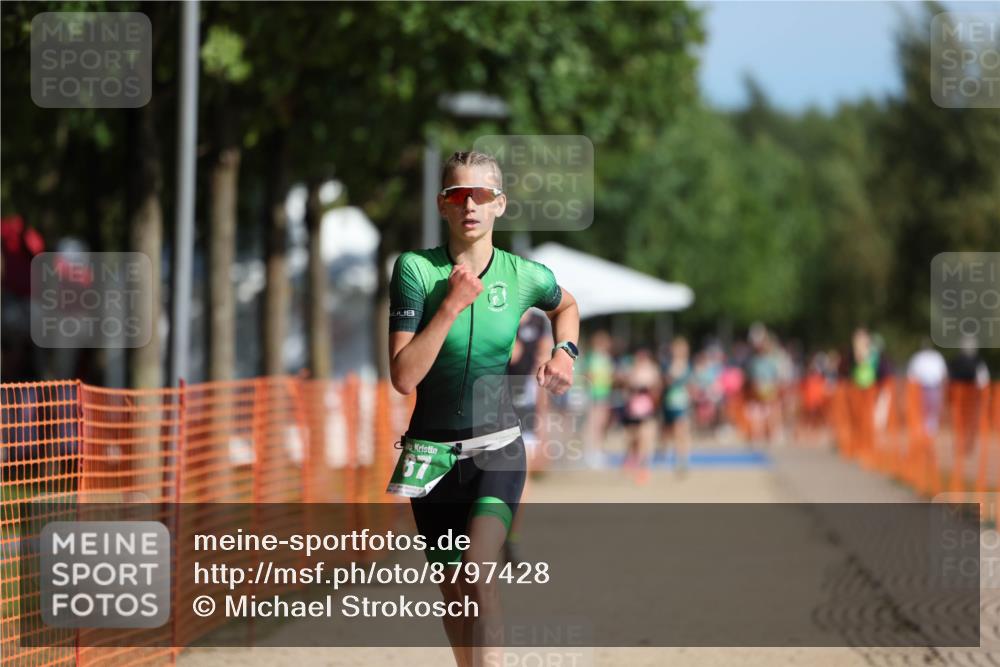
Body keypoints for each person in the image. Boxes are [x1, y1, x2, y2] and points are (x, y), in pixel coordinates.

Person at [386, 150, 579, 667]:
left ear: (500, 205)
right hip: (430, 454)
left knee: (478, 569)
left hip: (497, 448)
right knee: (453, 592)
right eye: (457, 195)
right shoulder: (415, 270)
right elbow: (404, 377)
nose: (469, 205)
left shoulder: (524, 275)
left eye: (481, 196)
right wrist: (449, 306)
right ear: (442, 206)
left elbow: (567, 306)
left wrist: (567, 352)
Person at [621, 347, 662, 484]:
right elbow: (626, 387)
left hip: (647, 409)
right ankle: (631, 460)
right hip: (633, 409)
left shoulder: (652, 370)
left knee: (645, 439)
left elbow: (657, 389)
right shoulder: (632, 370)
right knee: (633, 438)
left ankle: (643, 469)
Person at [581, 330, 615, 467]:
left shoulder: (607, 358)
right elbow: (587, 375)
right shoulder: (591, 357)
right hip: (593, 395)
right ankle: (590, 452)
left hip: (604, 395)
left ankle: (598, 450)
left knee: (601, 425)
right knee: (592, 424)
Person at [660, 336, 693, 476]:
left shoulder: (688, 365)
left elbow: (690, 385)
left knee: (682, 431)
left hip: (682, 403)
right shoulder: (668, 364)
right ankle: (666, 453)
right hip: (669, 402)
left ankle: (682, 459)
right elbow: (666, 381)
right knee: (668, 431)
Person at [906, 339, 948, 437]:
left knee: (933, 410)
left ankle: (931, 432)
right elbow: (911, 375)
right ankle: (922, 432)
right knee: (922, 410)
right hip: (921, 388)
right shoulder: (918, 357)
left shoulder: (937, 357)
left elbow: (943, 374)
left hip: (934, 387)